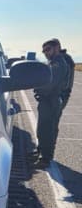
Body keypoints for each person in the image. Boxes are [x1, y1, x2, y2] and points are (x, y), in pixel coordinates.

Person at [31, 39, 70, 169]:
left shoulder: (59, 64)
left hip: (51, 101)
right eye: (44, 51)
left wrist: (37, 89)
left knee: (48, 130)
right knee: (43, 129)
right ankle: (41, 151)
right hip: (47, 100)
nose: (45, 53)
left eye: (48, 49)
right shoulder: (54, 62)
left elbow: (49, 83)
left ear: (57, 47)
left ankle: (45, 158)